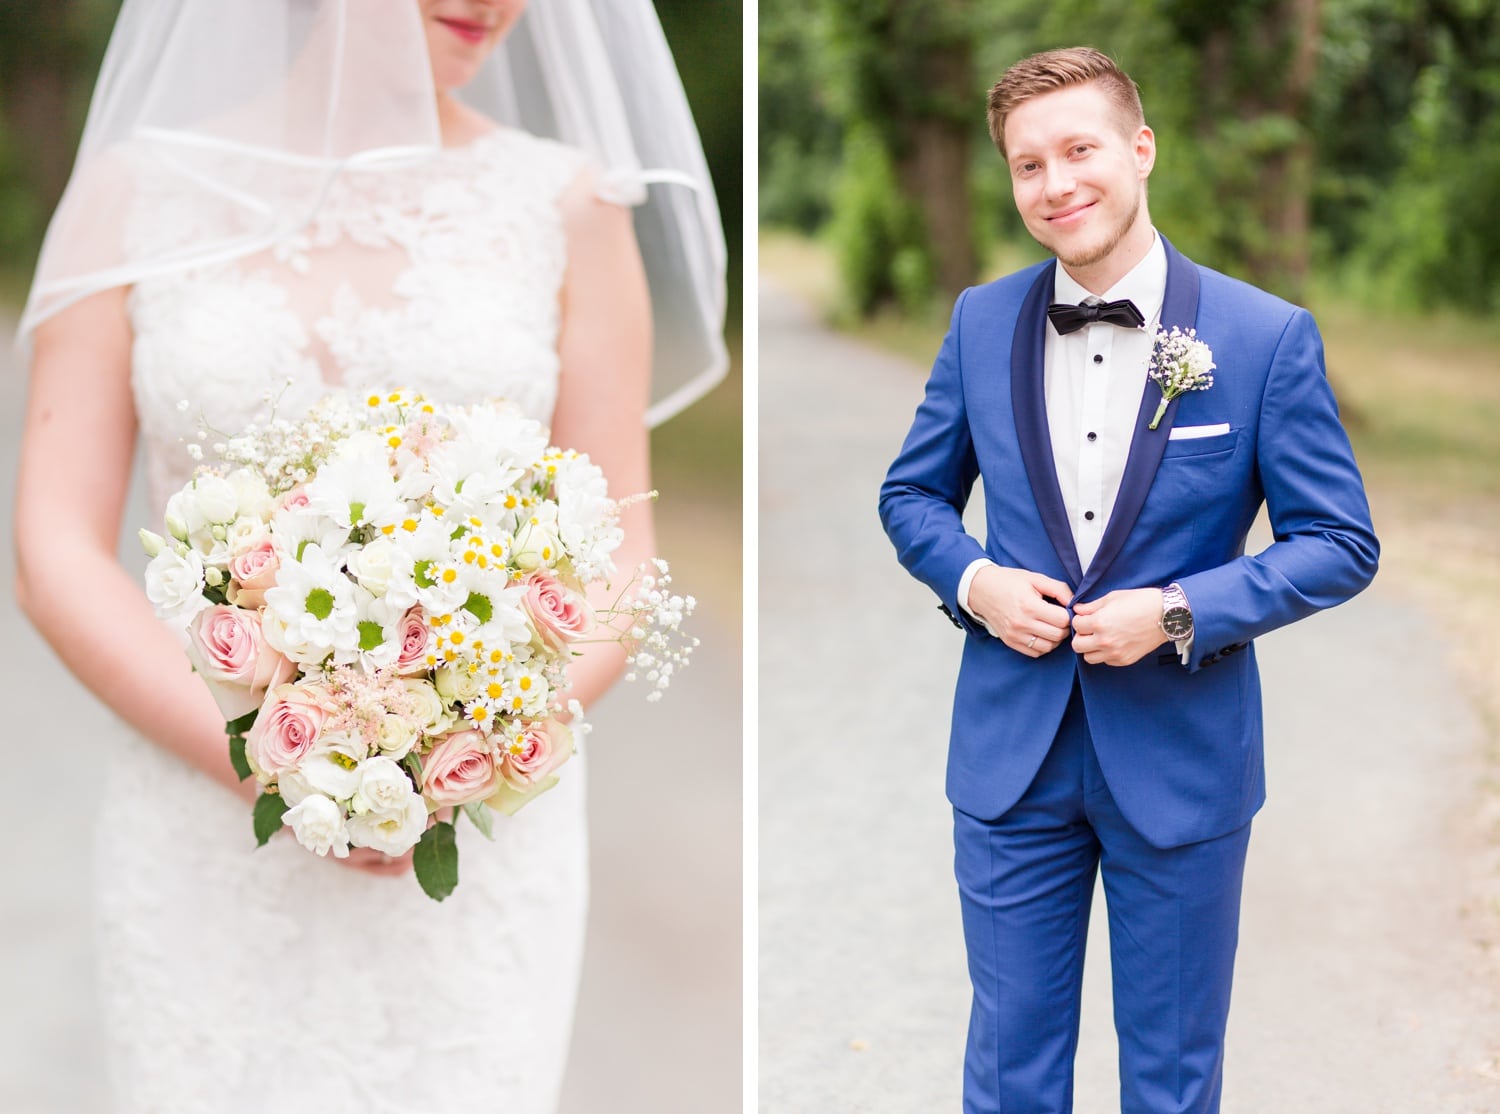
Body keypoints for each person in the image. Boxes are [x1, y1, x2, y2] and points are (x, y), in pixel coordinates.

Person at [13, 1, 725, 1111]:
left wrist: (465, 748)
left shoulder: (567, 203)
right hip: (203, 828)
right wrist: (271, 762)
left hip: (470, 850)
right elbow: (55, 543)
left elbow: (621, 554)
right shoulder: (133, 192)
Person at [878, 47, 1378, 1114]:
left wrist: (1180, 609)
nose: (1055, 185)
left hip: (1182, 764)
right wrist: (978, 582)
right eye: (1027, 165)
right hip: (1012, 762)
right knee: (1008, 1076)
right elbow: (910, 498)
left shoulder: (1262, 336)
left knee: (1171, 1079)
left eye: (1078, 151)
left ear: (1140, 150)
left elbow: (1339, 539)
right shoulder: (979, 322)